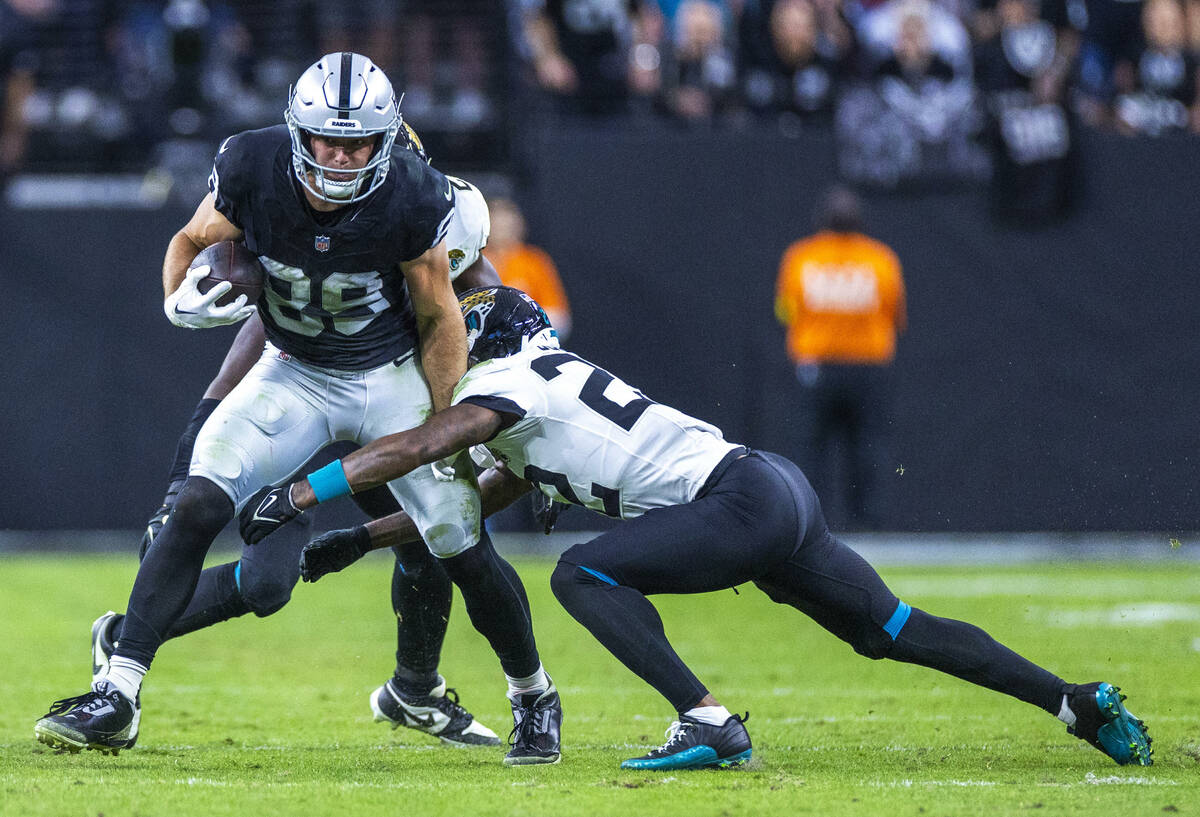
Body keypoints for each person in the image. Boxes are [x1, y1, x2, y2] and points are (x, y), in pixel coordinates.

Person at [241, 286, 1152, 772]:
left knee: (580, 574)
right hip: (769, 489)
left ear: (483, 339)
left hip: (738, 501)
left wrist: (305, 492)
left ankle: (706, 719)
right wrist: (362, 540)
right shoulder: (533, 397)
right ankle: (1073, 702)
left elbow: (431, 440)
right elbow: (474, 498)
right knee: (893, 630)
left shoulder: (510, 382)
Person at [35, 53, 560, 767]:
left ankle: (528, 694)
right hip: (296, 372)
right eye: (327, 141)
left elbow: (447, 316)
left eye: (362, 143)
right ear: (296, 133)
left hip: (390, 377)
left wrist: (456, 426)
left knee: (456, 537)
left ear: (392, 144)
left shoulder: (420, 195)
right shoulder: (252, 166)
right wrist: (175, 300)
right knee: (199, 503)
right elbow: (189, 243)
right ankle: (118, 692)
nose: (342, 158)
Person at [87, 125, 504, 749]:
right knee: (265, 585)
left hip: (390, 410)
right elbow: (241, 365)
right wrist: (185, 475)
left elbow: (497, 311)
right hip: (299, 400)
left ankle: (415, 690)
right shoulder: (299, 242)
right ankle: (123, 638)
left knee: (430, 539)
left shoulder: (432, 216)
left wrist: (508, 425)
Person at [774, 186, 905, 529]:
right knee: (868, 445)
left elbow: (785, 311)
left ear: (821, 220)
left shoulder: (802, 256)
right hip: (868, 365)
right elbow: (895, 315)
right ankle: (870, 523)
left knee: (810, 447)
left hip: (817, 366)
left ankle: (806, 521)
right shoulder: (880, 259)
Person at [484, 197, 572, 339]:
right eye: (496, 224)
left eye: (506, 224)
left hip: (529, 343)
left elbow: (559, 316)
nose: (502, 229)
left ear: (518, 225)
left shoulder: (534, 261)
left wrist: (519, 326)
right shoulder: (476, 261)